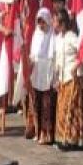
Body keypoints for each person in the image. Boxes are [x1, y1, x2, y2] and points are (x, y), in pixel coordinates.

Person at [54, 9, 83, 150]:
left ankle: (73, 138)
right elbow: (58, 59)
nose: (54, 24)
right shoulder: (58, 38)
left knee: (71, 108)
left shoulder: (72, 36)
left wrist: (76, 66)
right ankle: (62, 137)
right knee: (62, 108)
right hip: (62, 78)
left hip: (72, 77)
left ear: (63, 23)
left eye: (56, 21)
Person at [28, 8, 57, 144]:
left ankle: (47, 134)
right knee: (37, 103)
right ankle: (37, 130)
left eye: (43, 22)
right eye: (39, 22)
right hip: (37, 71)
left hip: (47, 70)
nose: (41, 25)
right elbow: (33, 54)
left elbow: (52, 55)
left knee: (47, 104)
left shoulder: (52, 35)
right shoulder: (36, 34)